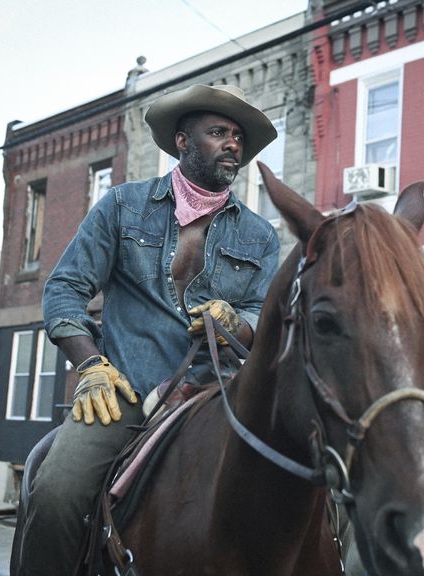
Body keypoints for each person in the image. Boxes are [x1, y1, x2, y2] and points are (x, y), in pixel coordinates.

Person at [16, 84, 280, 576]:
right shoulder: (122, 205)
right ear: (182, 141)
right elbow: (65, 288)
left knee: (317, 492)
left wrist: (236, 323)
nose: (232, 144)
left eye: (238, 137)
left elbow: (264, 314)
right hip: (124, 392)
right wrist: (90, 366)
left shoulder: (261, 235)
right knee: (55, 492)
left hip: (217, 397)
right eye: (218, 132)